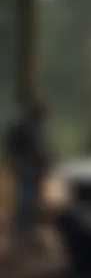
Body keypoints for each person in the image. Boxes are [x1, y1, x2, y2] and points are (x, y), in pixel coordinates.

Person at [3, 102, 53, 256]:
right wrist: (18, 163)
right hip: (26, 169)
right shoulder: (23, 128)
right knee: (26, 200)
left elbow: (42, 150)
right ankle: (22, 232)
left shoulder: (35, 129)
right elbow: (12, 148)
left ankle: (29, 231)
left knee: (33, 200)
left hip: (36, 170)